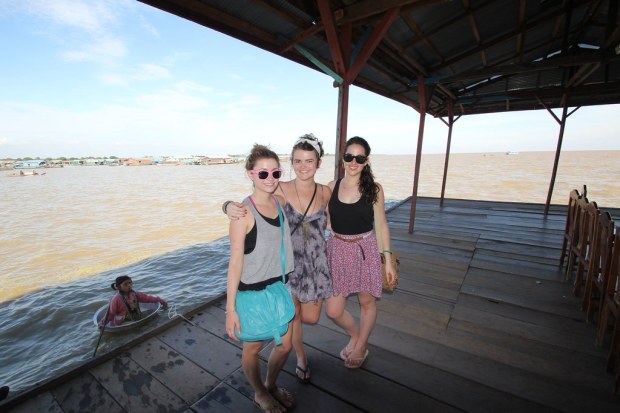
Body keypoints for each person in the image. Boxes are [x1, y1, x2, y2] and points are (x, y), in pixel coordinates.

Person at [225, 134, 332, 384]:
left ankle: (271, 382)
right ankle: (296, 362)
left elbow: (338, 219)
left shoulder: (321, 192)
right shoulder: (279, 189)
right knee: (286, 323)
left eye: (309, 160)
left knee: (309, 318)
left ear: (319, 162)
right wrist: (227, 205)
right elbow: (252, 204)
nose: (303, 166)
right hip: (282, 273)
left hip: (307, 267)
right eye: (297, 161)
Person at [225, 144, 296, 413]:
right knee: (253, 347)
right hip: (251, 292)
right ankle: (258, 393)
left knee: (285, 345)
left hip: (277, 286)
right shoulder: (242, 213)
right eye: (262, 174)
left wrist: (223, 204)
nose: (270, 179)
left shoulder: (280, 200)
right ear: (250, 174)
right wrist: (230, 309)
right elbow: (235, 263)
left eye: (275, 173)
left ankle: (270, 383)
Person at [326, 136, 396, 369]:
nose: (353, 162)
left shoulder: (374, 189)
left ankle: (362, 345)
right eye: (349, 156)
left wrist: (387, 260)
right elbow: (321, 219)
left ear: (366, 161)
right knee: (333, 310)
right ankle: (356, 336)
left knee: (367, 302)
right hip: (337, 250)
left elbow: (382, 224)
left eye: (359, 157)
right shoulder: (330, 186)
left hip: (364, 250)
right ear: (342, 158)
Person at [99, 275, 168, 328]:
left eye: (130, 283)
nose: (129, 285)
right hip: (122, 321)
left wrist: (161, 301)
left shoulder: (135, 294)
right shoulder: (116, 299)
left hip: (134, 316)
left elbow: (148, 298)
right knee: (140, 326)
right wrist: (103, 322)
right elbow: (111, 313)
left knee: (154, 315)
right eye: (125, 284)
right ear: (119, 287)